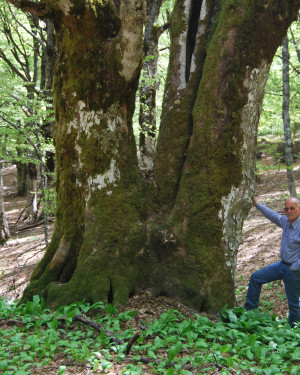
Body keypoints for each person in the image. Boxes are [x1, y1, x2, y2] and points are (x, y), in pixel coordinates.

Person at [245, 196, 300, 327]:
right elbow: (273, 215)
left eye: (292, 208)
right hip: (282, 265)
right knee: (256, 278)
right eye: (286, 209)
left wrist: (294, 267)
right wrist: (257, 205)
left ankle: (294, 331)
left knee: (294, 304)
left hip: (294, 271)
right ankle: (249, 313)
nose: (289, 211)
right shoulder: (286, 221)